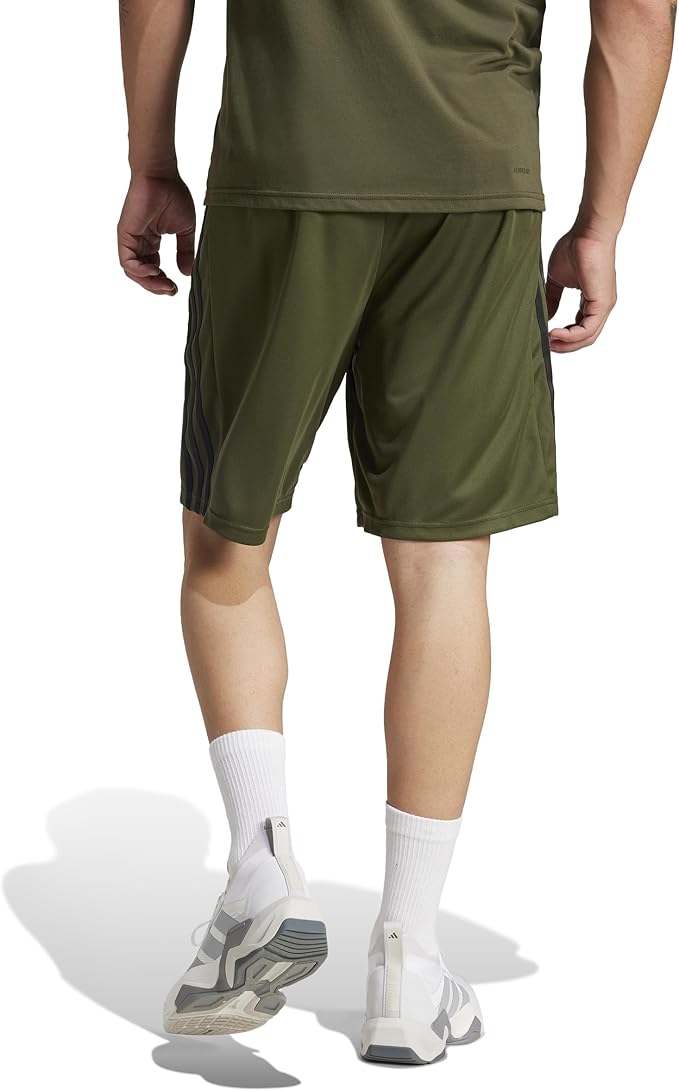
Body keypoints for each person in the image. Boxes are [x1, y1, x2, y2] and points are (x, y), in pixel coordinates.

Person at [117, 0, 675, 1065]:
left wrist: (151, 161)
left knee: (227, 550)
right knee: (443, 570)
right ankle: (408, 962)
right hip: (475, 184)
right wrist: (600, 225)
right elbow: (638, 13)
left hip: (284, 167)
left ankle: (261, 872)